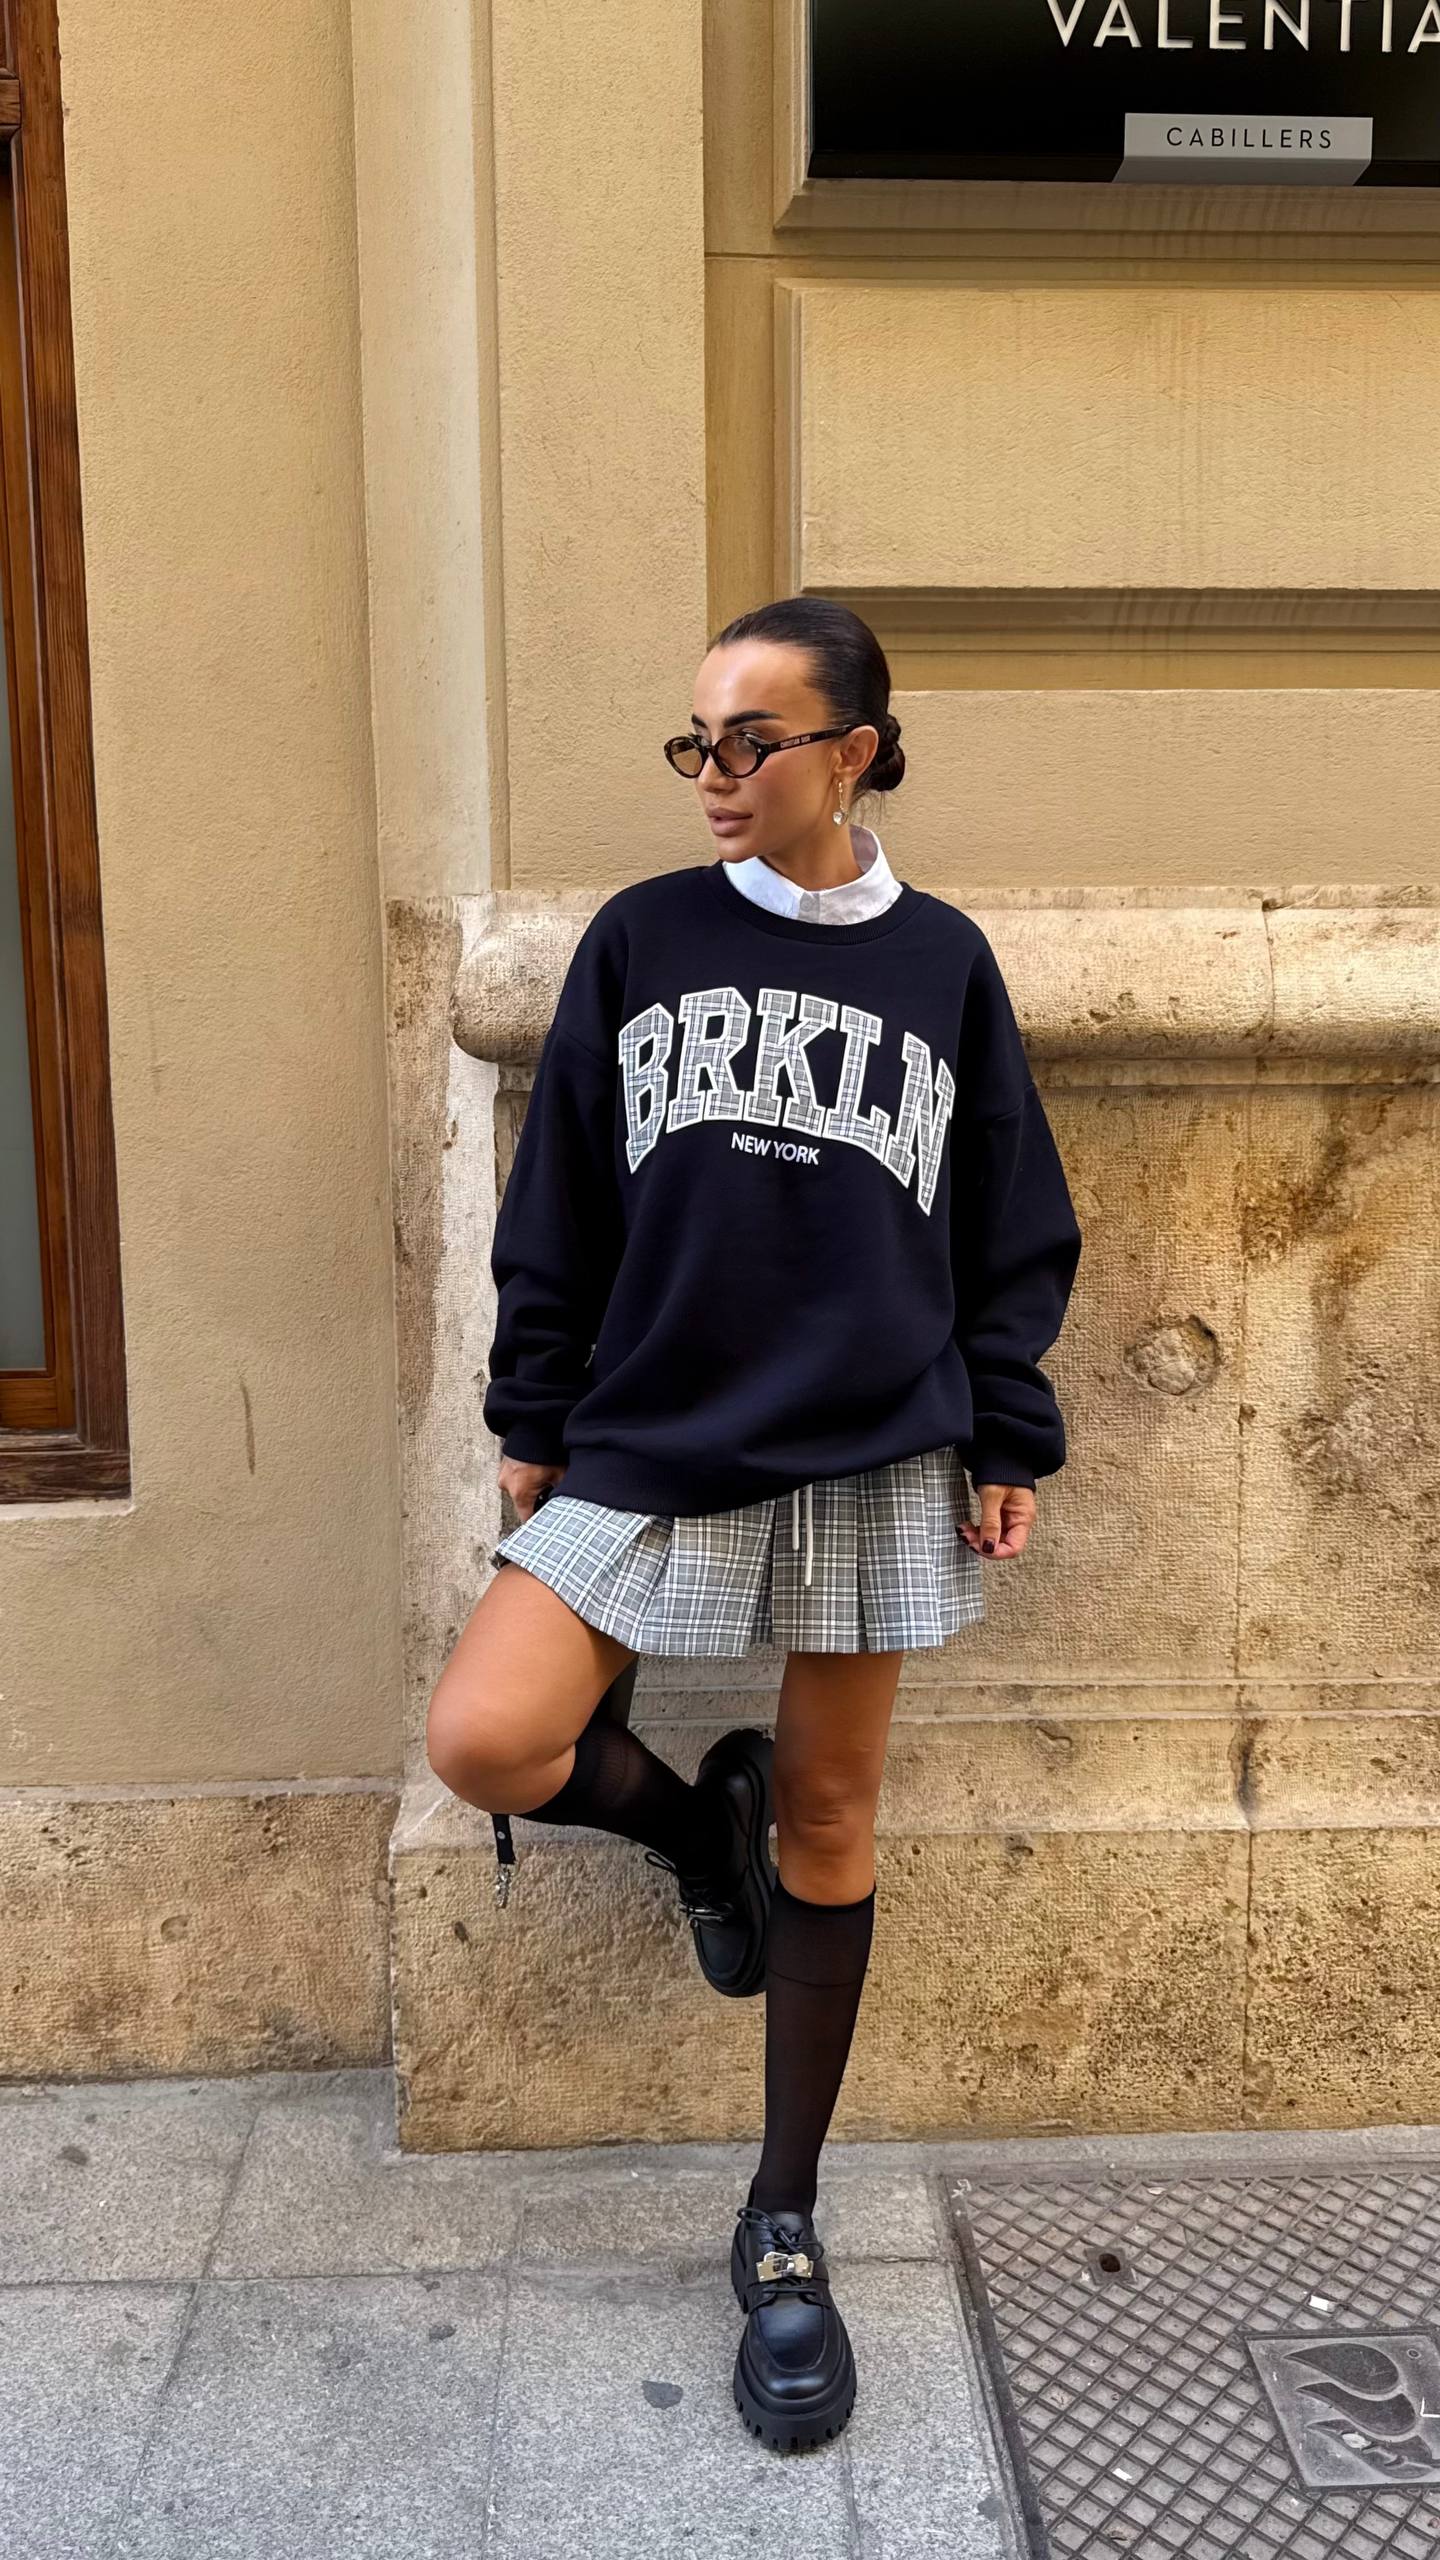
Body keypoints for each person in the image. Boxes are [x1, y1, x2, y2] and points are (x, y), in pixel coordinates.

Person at [426, 593, 1082, 2454]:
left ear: (854, 751)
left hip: (878, 1442)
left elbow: (1004, 1217)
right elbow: (556, 1187)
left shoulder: (943, 962)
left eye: (751, 741)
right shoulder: (644, 939)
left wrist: (1008, 1427)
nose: (714, 777)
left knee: (835, 1812)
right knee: (492, 1735)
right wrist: (533, 1415)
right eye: (696, 743)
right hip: (651, 1429)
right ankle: (686, 1837)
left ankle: (784, 2219)